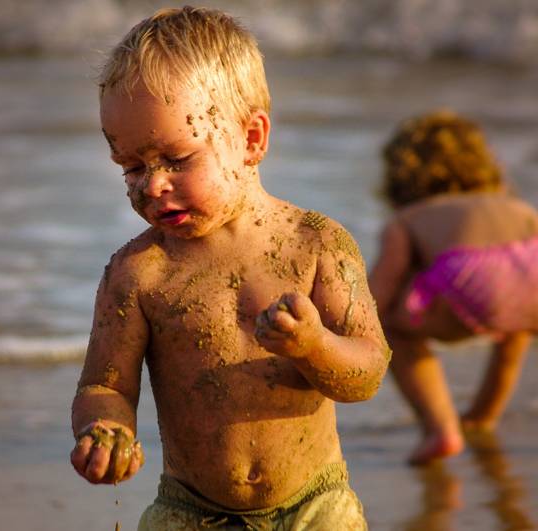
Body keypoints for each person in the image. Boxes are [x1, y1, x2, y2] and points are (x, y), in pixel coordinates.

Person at [70, 7, 390, 529]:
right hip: (188, 506)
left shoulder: (316, 245)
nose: (151, 185)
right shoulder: (139, 273)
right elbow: (105, 386)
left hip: (314, 504)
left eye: (176, 159)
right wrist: (105, 431)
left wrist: (313, 345)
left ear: (251, 140)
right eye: (132, 167)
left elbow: (366, 373)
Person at [368, 110, 538, 465]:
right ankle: (482, 416)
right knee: (516, 325)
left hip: (472, 279)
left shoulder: (408, 218)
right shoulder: (517, 207)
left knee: (390, 325)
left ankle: (440, 429)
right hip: (530, 270)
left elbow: (377, 294)